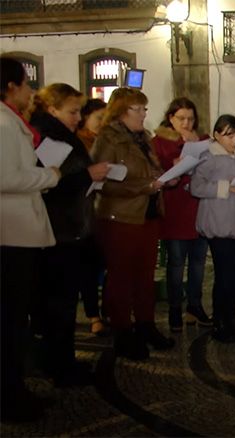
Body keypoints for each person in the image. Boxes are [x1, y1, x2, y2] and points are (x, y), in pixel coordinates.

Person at [29, 83, 110, 386]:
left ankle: (63, 362)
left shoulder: (62, 135)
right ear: (52, 109)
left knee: (63, 304)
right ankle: (59, 367)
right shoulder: (45, 138)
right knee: (57, 306)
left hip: (73, 229)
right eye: (73, 111)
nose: (79, 117)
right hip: (58, 232)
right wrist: (86, 176)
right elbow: (47, 184)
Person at [92, 87, 176, 361]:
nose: (144, 114)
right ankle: (123, 331)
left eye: (144, 108)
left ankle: (145, 325)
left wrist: (166, 178)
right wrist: (145, 187)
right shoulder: (108, 139)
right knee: (121, 276)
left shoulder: (143, 138)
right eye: (137, 109)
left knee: (144, 276)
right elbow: (103, 182)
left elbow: (147, 171)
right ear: (120, 111)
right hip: (121, 217)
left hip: (147, 215)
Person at [0, 57, 61, 422]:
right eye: (26, 84)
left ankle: (13, 390)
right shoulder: (5, 124)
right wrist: (49, 176)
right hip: (12, 234)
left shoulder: (10, 123)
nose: (30, 91)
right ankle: (9, 397)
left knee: (14, 319)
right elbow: (6, 178)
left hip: (17, 231)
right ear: (10, 86)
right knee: (10, 321)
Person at [191, 115, 235, 343]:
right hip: (218, 219)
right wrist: (225, 187)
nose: (233, 141)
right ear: (217, 135)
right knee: (224, 275)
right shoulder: (208, 156)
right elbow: (197, 186)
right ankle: (220, 321)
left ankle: (233, 320)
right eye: (229, 136)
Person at [153, 97, 211, 332]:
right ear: (171, 119)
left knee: (198, 263)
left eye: (190, 118)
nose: (186, 123)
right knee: (176, 263)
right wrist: (173, 165)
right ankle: (175, 309)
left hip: (199, 208)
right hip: (175, 208)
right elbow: (155, 172)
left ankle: (195, 306)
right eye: (181, 119)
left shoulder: (204, 140)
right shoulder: (159, 142)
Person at [76, 98, 109, 335]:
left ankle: (106, 309)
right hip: (84, 213)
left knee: (105, 263)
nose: (102, 123)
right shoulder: (79, 143)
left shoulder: (106, 141)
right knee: (88, 266)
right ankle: (93, 314)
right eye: (99, 118)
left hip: (107, 209)